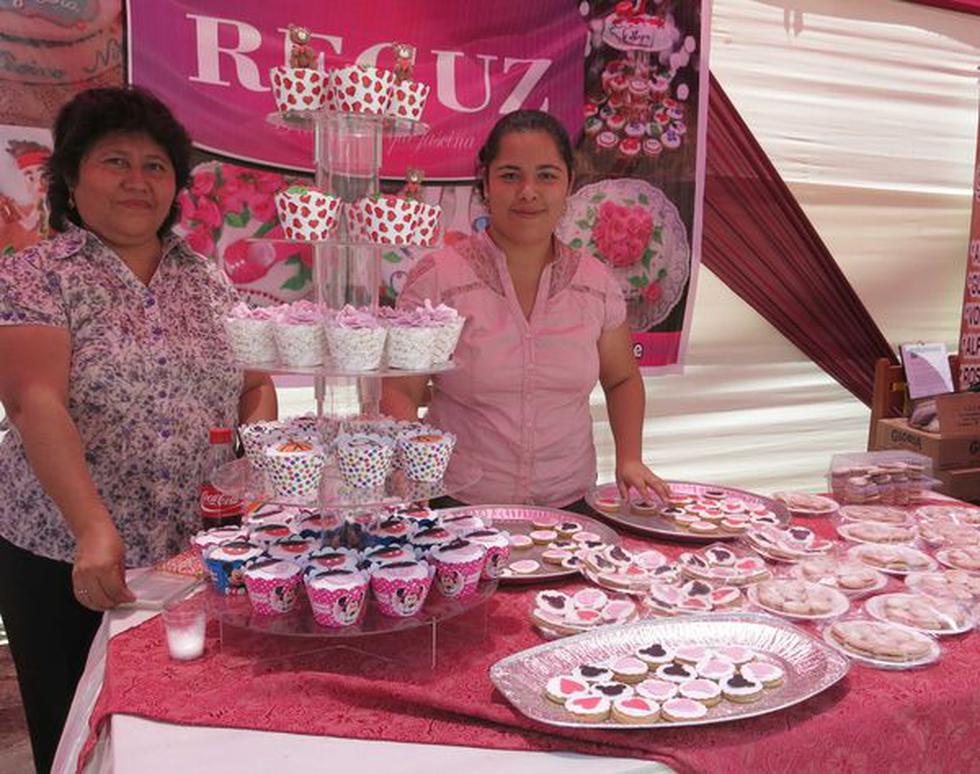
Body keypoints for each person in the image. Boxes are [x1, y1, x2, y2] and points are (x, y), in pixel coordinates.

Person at [0, 86, 277, 774]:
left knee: (184, 727)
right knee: (75, 730)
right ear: (70, 177)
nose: (137, 180)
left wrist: (255, 475)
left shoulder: (209, 283)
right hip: (66, 555)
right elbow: (35, 401)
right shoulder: (35, 276)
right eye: (114, 161)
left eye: (156, 166)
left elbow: (256, 387)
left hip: (192, 557)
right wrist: (92, 528)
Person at [381, 110, 668, 514]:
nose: (528, 191)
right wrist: (410, 471)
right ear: (486, 183)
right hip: (457, 505)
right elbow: (400, 389)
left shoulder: (595, 283)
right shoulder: (438, 279)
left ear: (569, 184)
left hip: (569, 508)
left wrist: (630, 458)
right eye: (511, 175)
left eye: (547, 175)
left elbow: (621, 378)